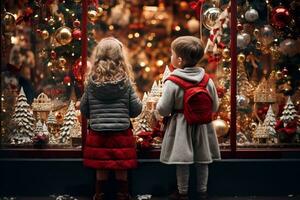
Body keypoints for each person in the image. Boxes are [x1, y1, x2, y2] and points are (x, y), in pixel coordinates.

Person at [156, 36, 221, 200]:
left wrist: (157, 108)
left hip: (181, 125)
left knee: (182, 160)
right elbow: (215, 106)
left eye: (172, 54)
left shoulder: (172, 81)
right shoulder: (207, 80)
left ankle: (182, 192)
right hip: (203, 125)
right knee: (203, 160)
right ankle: (202, 191)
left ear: (178, 60)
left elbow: (163, 109)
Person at [80, 37, 142, 200]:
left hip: (98, 133)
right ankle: (123, 194)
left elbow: (84, 109)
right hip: (121, 132)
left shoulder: (91, 83)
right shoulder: (125, 83)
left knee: (101, 167)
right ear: (120, 56)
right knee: (121, 167)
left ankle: (99, 194)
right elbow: (136, 110)